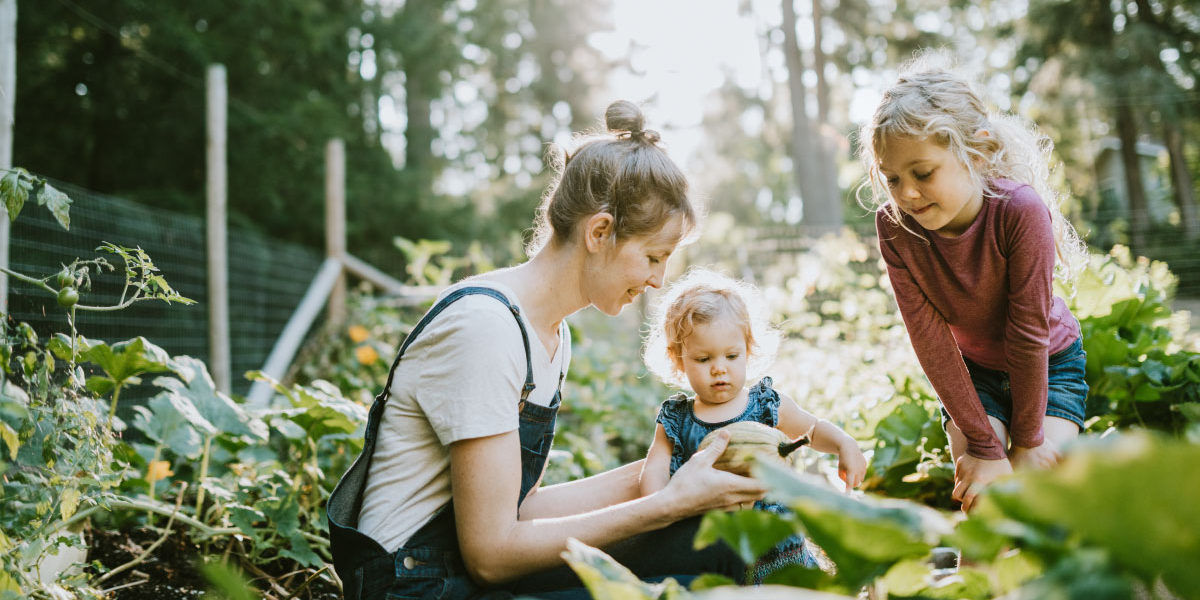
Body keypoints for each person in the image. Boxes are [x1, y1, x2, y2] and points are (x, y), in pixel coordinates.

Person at [326, 100, 768, 600]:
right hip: (416, 587)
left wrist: (680, 468)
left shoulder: (549, 332)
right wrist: (665, 505)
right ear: (599, 232)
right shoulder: (487, 329)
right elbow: (491, 555)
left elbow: (522, 510)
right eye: (652, 256)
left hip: (461, 570)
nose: (657, 280)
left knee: (719, 546)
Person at [858, 55, 1091, 513]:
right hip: (973, 376)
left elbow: (1028, 334)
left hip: (1050, 364)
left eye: (923, 173)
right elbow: (930, 342)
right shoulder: (896, 228)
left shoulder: (1018, 211)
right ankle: (973, 585)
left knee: (1033, 498)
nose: (906, 193)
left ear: (977, 153)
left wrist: (1026, 442)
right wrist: (985, 447)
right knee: (985, 502)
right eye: (892, 179)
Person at [639, 268, 867, 583]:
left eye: (732, 356)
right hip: (716, 552)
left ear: (748, 350)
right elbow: (653, 473)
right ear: (679, 359)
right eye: (703, 360)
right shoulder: (676, 420)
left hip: (780, 551)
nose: (719, 369)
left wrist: (843, 444)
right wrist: (660, 509)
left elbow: (811, 429)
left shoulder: (765, 406)